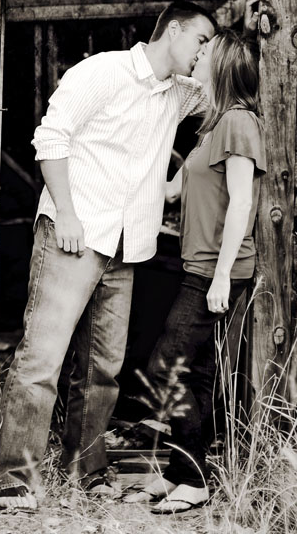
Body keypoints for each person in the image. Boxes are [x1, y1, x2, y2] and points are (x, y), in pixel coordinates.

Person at [0, 1, 217, 512]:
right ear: (173, 31)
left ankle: (86, 469)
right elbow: (50, 138)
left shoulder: (180, 94)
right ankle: (13, 481)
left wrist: (220, 66)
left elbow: (226, 95)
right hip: (77, 232)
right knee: (42, 358)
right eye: (200, 41)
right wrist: (65, 213)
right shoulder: (102, 71)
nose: (203, 54)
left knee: (103, 369)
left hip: (128, 246)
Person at [122, 29, 264, 514]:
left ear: (222, 66)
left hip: (218, 270)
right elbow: (168, 192)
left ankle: (192, 477)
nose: (197, 57)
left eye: (205, 53)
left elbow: (243, 201)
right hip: (198, 266)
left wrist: (223, 274)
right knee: (196, 373)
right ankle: (188, 474)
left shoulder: (240, 122)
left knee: (168, 365)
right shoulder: (210, 127)